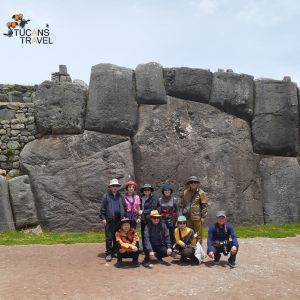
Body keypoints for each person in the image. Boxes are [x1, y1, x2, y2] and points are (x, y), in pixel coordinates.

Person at [100, 178, 127, 262]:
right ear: (110, 187)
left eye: (116, 186)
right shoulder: (106, 196)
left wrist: (125, 216)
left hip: (119, 220)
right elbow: (102, 209)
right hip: (109, 220)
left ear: (118, 187)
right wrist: (103, 218)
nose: (115, 187)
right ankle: (108, 253)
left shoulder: (121, 195)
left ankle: (115, 251)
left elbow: (124, 207)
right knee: (109, 237)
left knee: (117, 237)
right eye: (113, 186)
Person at [179, 176, 208, 245]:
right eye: (191, 182)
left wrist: (203, 217)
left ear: (197, 183)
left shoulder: (201, 193)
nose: (193, 183)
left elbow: (204, 205)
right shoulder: (185, 192)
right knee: (189, 233)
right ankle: (190, 249)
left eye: (195, 182)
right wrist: (182, 215)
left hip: (197, 217)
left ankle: (198, 250)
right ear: (189, 183)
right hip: (187, 217)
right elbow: (182, 204)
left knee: (198, 235)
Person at [139, 183, 160, 253]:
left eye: (148, 190)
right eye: (145, 190)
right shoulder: (140, 197)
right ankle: (145, 249)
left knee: (150, 233)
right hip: (143, 219)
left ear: (151, 191)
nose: (146, 191)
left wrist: (143, 211)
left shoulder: (154, 198)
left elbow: (153, 208)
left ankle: (151, 248)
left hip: (150, 219)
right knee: (143, 233)